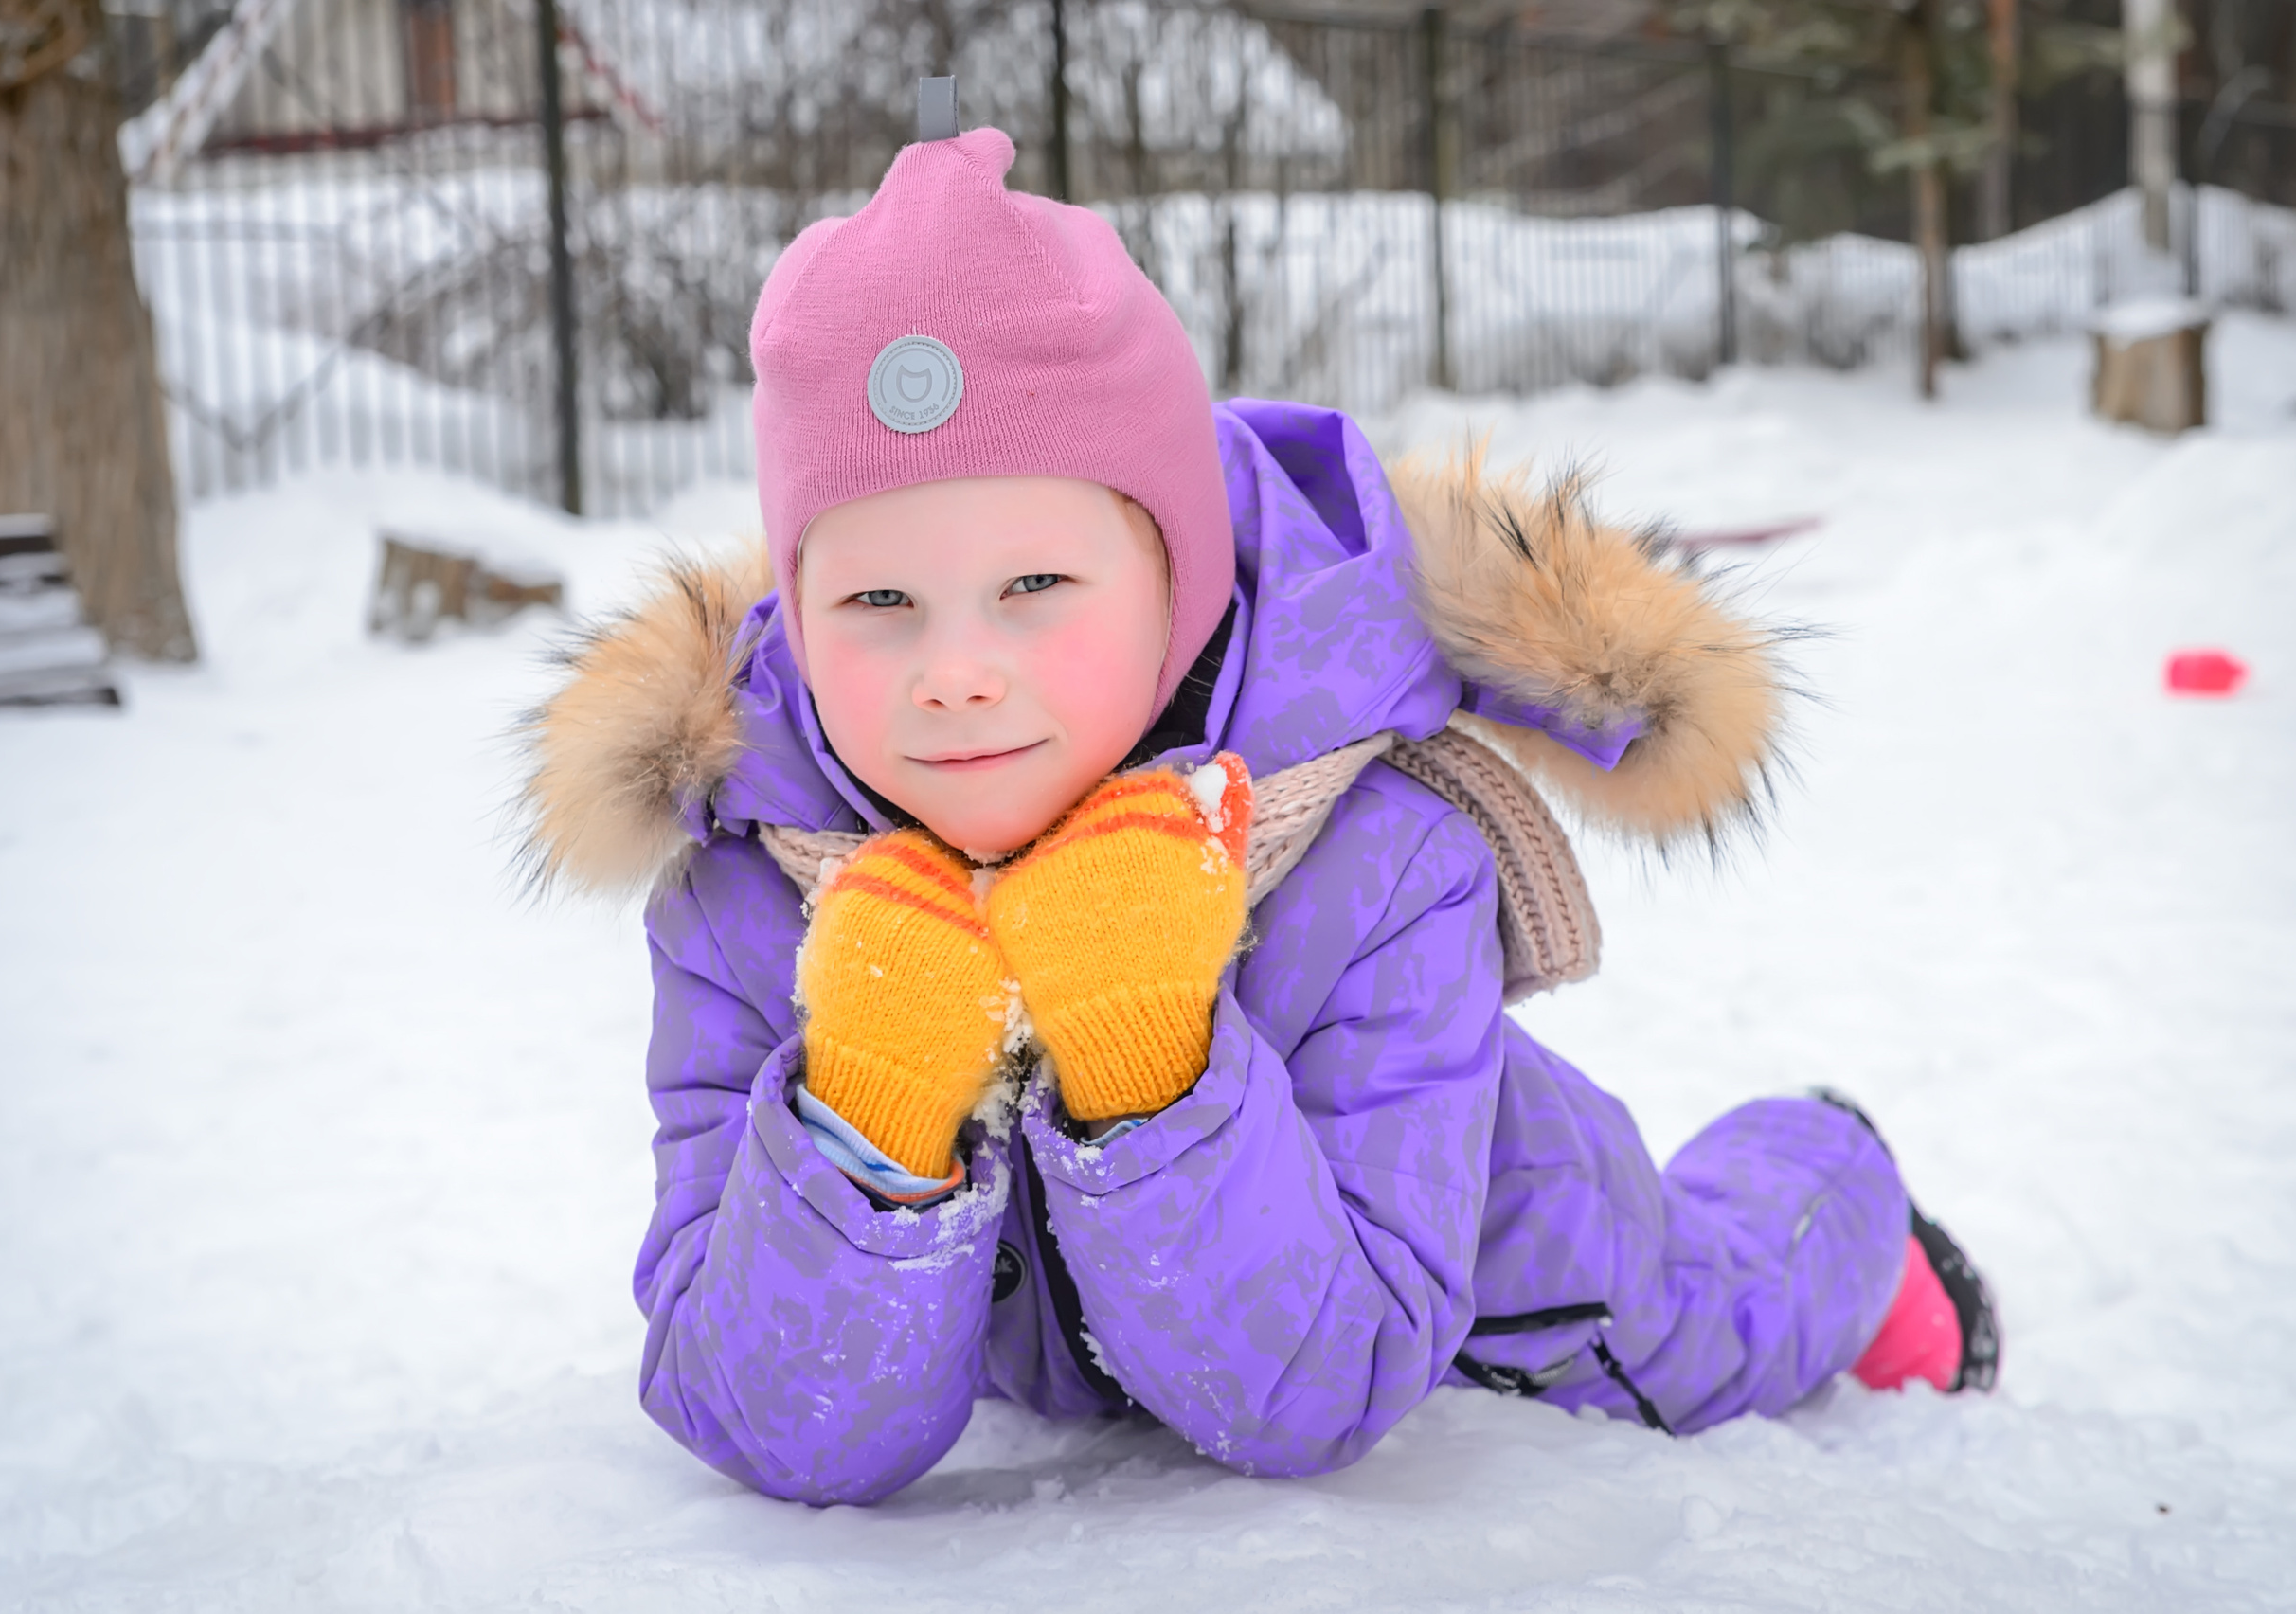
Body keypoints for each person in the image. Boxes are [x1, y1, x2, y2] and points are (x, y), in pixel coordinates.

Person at [521, 117, 1999, 1508]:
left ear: (1179, 580)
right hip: (1092, 1348)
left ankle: (1843, 1184)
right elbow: (768, 1422)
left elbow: (1313, 1397)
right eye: (877, 602)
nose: (956, 672)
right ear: (794, 604)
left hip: (1494, 1260)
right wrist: (865, 1121)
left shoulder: (1380, 851)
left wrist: (1148, 1063)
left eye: (1036, 587)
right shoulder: (746, 897)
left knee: (1713, 1329)